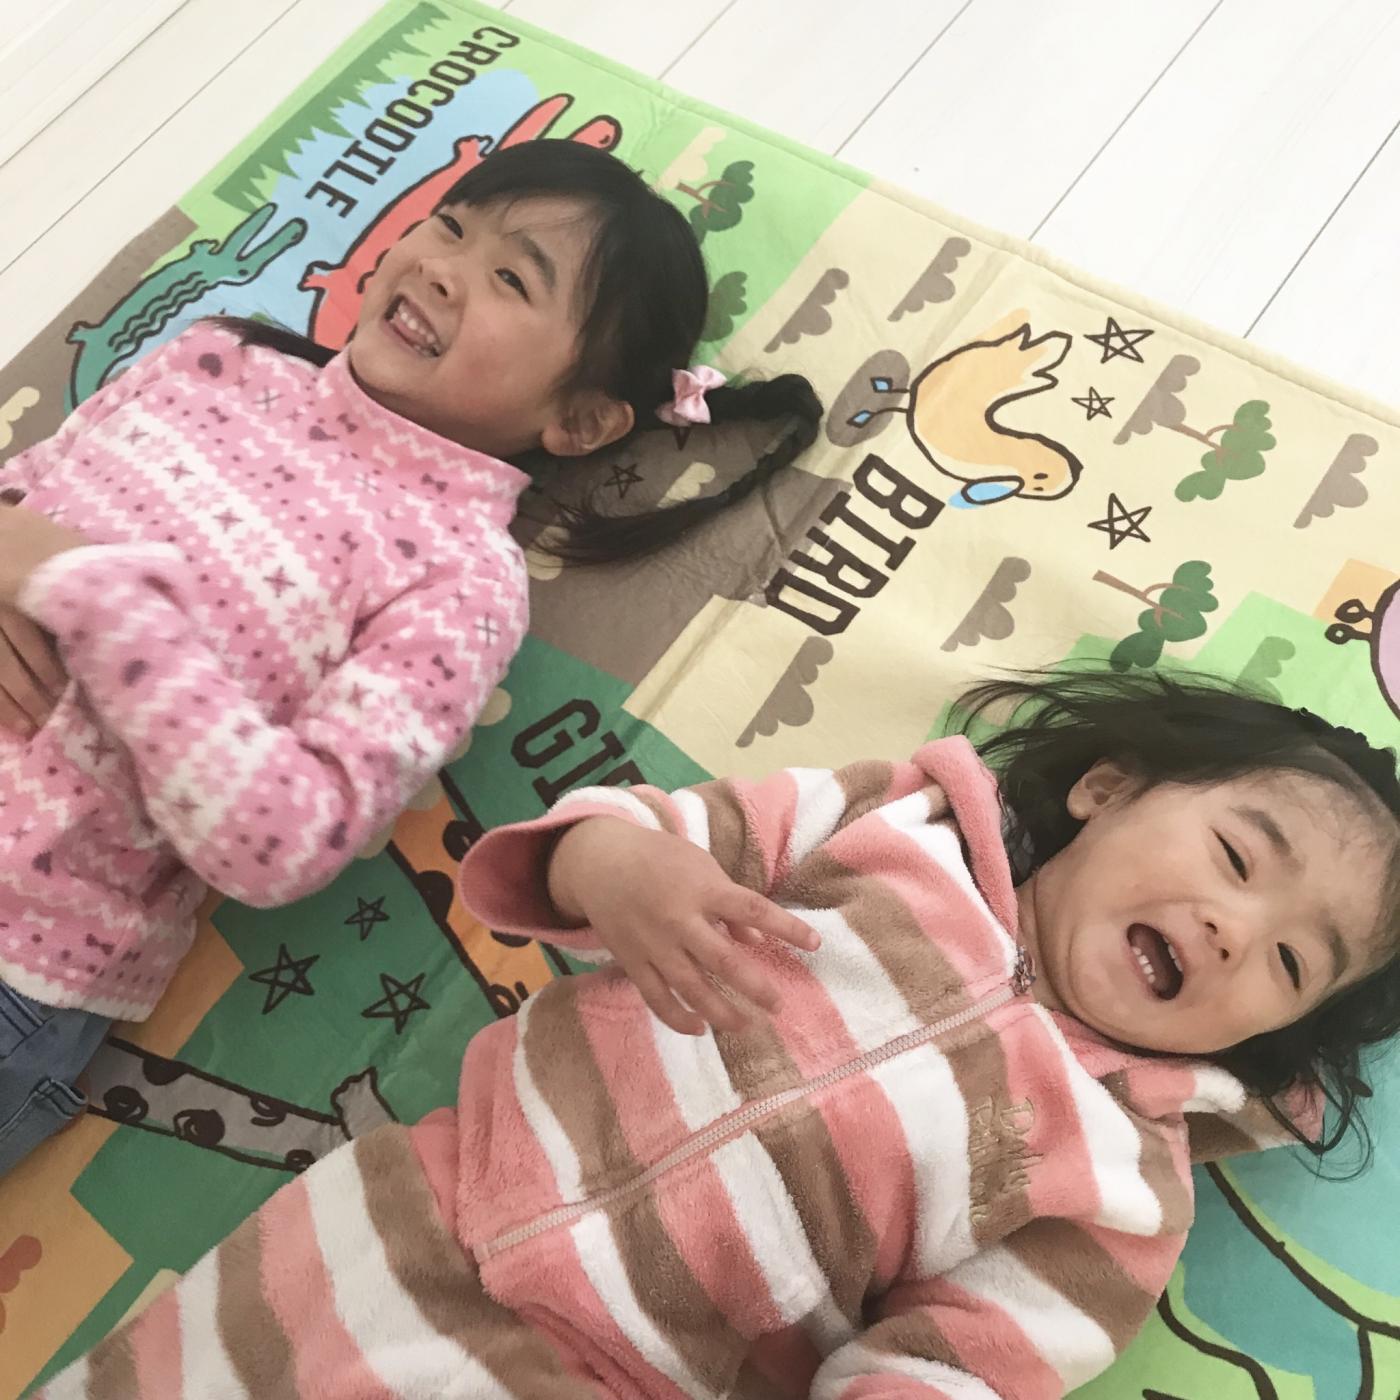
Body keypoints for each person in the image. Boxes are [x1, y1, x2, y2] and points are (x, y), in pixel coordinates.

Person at [38, 670, 1400, 1399]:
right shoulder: (897, 824)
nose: (1235, 928)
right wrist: (615, 867)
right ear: (1104, 788)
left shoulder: (1121, 1187)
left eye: (1291, 961)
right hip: (403, 1211)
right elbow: (656, 833)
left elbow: (968, 1366)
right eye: (1237, 855)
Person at [0, 140, 823, 1176]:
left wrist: (96, 594)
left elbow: (281, 842)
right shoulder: (213, 358)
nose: (441, 266)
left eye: (510, 277)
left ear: (578, 420)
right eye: (450, 225)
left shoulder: (460, 580)